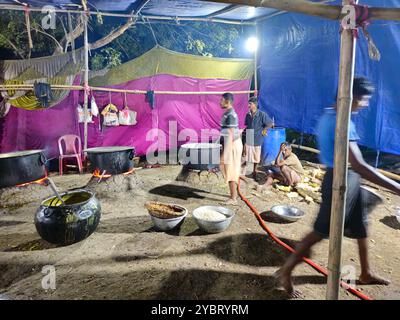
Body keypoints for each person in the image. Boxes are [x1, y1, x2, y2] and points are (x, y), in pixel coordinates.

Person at [275, 77, 400, 298]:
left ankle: (366, 273)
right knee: (319, 232)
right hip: (339, 181)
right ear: (354, 97)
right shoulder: (340, 121)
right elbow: (359, 164)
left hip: (347, 179)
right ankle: (286, 271)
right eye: (365, 100)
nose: (366, 105)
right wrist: (396, 187)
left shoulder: (330, 115)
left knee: (361, 226)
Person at [219, 93, 243, 205]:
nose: (220, 102)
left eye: (221, 100)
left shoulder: (231, 115)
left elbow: (231, 135)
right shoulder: (227, 114)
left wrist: (224, 154)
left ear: (227, 101)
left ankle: (233, 198)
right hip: (231, 143)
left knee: (230, 169)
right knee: (229, 168)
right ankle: (234, 194)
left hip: (232, 144)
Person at [243, 97, 274, 179]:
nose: (248, 105)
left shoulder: (262, 114)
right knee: (248, 155)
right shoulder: (248, 115)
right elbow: (247, 125)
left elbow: (270, 123)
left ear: (255, 105)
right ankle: (248, 171)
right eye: (248, 103)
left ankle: (254, 172)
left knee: (256, 157)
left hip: (257, 137)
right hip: (249, 136)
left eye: (250, 103)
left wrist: (265, 129)